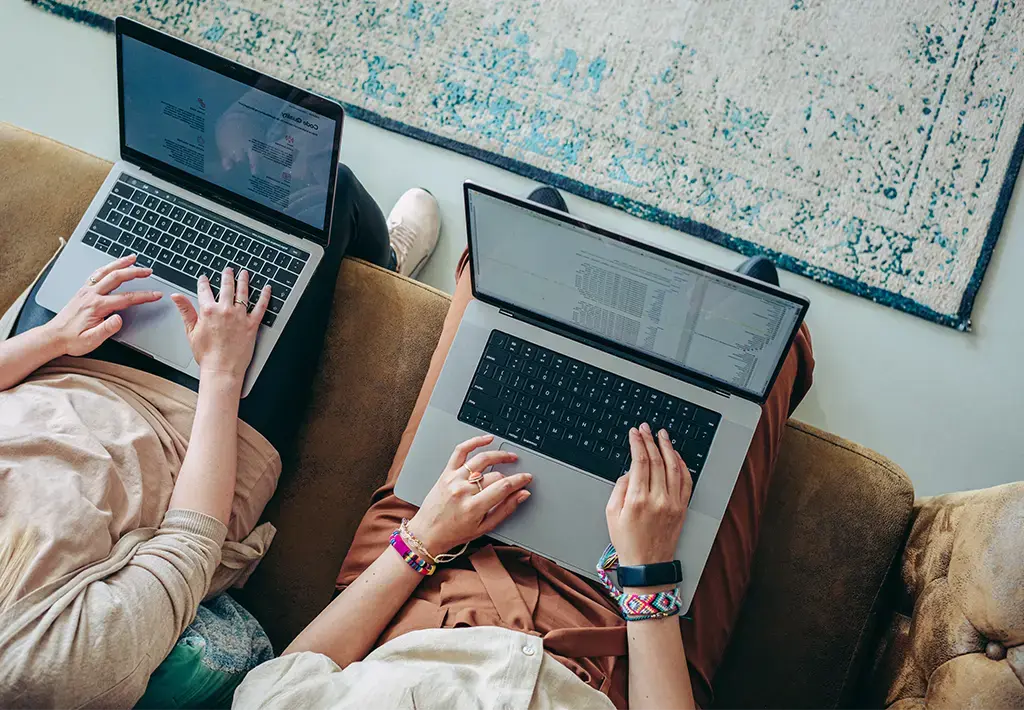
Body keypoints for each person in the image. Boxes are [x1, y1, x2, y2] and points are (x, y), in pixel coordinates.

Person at [233, 187, 815, 709]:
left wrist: (421, 539)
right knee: (768, 358)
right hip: (618, 638)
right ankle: (735, 317)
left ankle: (545, 255)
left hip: (430, 582)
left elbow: (287, 682)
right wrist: (649, 576)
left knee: (495, 286)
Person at [0, 166, 441, 708]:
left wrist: (54, 335)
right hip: (186, 433)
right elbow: (191, 540)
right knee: (330, 194)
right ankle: (387, 264)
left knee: (160, 183)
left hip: (48, 365)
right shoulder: (54, 673)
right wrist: (223, 371)